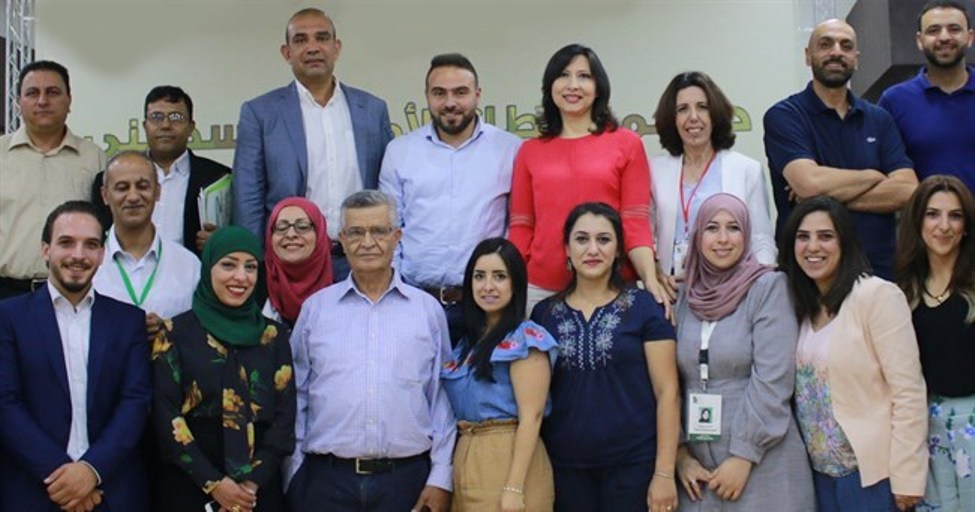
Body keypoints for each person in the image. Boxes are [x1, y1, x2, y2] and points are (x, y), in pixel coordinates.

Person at [286, 190, 455, 512]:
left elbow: (441, 398)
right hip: (325, 481)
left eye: (378, 231)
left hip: (405, 481)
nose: (367, 242)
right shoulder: (316, 311)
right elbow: (297, 396)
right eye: (356, 232)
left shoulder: (427, 311)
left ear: (397, 237)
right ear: (342, 239)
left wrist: (440, 477)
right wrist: (295, 474)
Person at [779, 195, 928, 511]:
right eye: (803, 237)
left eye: (825, 236)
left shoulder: (877, 296)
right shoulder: (801, 304)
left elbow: (909, 393)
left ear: (845, 242)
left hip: (870, 475)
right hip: (818, 475)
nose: (813, 247)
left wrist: (907, 476)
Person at [0, 200, 151, 511]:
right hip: (34, 491)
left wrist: (91, 471)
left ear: (102, 254)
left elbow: (135, 402)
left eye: (91, 245)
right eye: (66, 242)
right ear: (46, 250)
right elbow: (5, 403)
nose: (78, 255)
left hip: (110, 492)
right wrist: (65, 478)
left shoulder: (128, 321)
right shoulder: (8, 318)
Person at [531, 202, 680, 512]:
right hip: (565, 468)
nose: (592, 249)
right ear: (567, 249)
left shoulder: (646, 307)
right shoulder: (544, 315)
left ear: (618, 250)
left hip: (634, 466)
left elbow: (668, 392)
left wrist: (664, 473)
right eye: (581, 239)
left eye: (603, 239)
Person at [673, 193, 814, 510]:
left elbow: (774, 378)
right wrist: (679, 454)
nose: (723, 239)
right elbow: (668, 385)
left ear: (747, 234)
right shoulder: (682, 295)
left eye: (734, 228)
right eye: (712, 228)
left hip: (761, 460)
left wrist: (744, 455)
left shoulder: (768, 287)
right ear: (697, 235)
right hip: (698, 470)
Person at [233, 7, 394, 280]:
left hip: (360, 259)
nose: (312, 47)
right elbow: (248, 196)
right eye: (301, 40)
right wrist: (254, 263)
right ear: (286, 53)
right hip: (292, 264)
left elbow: (388, 189)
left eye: (322, 38)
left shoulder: (372, 109)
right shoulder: (260, 113)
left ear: (336, 48)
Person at [509, 43, 667, 314]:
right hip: (541, 289)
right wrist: (512, 279)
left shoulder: (627, 144)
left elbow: (635, 221)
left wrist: (650, 278)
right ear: (550, 86)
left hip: (612, 288)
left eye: (584, 76)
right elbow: (522, 226)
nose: (573, 85)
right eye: (563, 75)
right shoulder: (529, 151)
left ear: (598, 87)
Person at [151, 226, 295, 511]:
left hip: (257, 491)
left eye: (250, 267)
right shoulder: (175, 333)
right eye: (228, 265)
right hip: (191, 484)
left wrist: (250, 485)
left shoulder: (273, 337)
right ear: (208, 269)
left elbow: (284, 419)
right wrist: (215, 484)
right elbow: (165, 415)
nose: (241, 276)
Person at [380, 53, 521, 343]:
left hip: (485, 306)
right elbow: (389, 230)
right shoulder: (400, 151)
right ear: (427, 96)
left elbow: (516, 226)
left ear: (478, 94)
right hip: (416, 303)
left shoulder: (510, 149)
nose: (450, 102)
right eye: (439, 93)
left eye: (460, 92)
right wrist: (396, 293)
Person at [764, 19, 918, 279]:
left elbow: (907, 190)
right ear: (808, 56)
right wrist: (873, 176)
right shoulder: (785, 116)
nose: (836, 52)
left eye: (846, 46)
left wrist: (819, 197)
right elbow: (809, 183)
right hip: (807, 276)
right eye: (825, 44)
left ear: (856, 59)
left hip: (876, 271)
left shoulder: (879, 119)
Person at [441, 237, 557, 511]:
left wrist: (514, 488)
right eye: (479, 276)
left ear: (515, 284)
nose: (488, 286)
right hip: (466, 456)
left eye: (499, 276)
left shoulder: (526, 339)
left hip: (509, 460)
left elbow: (532, 418)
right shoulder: (466, 345)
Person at [651, 71, 776, 296]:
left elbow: (761, 239)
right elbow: (644, 236)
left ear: (715, 114)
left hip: (732, 294)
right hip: (671, 292)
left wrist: (761, 290)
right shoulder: (654, 170)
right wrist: (654, 274)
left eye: (702, 107)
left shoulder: (747, 170)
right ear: (671, 118)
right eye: (682, 109)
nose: (693, 117)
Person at [895, 175, 975, 511]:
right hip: (924, 428)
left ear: (966, 226)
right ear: (917, 221)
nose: (944, 226)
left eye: (955, 216)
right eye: (932, 214)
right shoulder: (902, 290)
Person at [1, 60, 106, 298]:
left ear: (69, 101)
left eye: (52, 92)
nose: (42, 101)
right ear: (19, 102)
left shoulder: (93, 157)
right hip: (6, 292)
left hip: (73, 291)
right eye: (32, 93)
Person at [92, 86, 231, 257]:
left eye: (176, 117)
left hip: (193, 271)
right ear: (145, 126)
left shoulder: (218, 177)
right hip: (124, 270)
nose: (165, 125)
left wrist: (223, 241)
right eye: (156, 117)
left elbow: (238, 234)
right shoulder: (109, 178)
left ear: (191, 127)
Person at [93, 151, 201, 337]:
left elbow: (201, 332)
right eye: (122, 188)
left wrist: (170, 330)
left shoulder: (188, 265)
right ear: (105, 195)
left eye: (142, 186)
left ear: (157, 191)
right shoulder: (90, 264)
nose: (133, 196)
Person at [879, 1, 975, 193]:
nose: (944, 37)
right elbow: (884, 171)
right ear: (919, 40)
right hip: (922, 213)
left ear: (970, 37)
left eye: (954, 29)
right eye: (933, 30)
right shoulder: (894, 101)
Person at [263, 197, 333, 326]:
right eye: (281, 227)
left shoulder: (344, 285)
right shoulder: (254, 283)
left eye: (302, 226)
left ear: (319, 233)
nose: (291, 234)